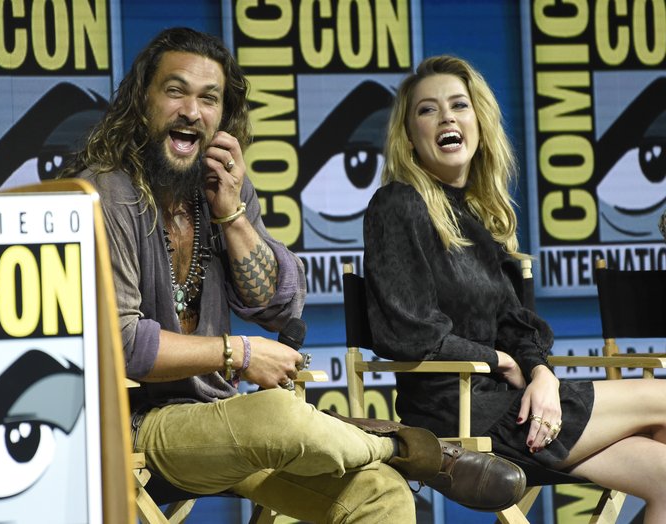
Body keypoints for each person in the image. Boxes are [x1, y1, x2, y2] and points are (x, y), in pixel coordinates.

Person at [60, 29, 525, 522]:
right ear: (142, 101)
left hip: (223, 423)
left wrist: (233, 217)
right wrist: (237, 353)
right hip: (133, 427)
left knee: (382, 492)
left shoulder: (221, 188)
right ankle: (420, 454)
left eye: (208, 98)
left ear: (223, 118)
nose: (191, 111)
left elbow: (279, 305)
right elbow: (122, 345)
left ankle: (393, 457)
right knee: (278, 414)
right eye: (175, 91)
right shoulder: (106, 195)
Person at [364, 54, 666, 521]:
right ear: (408, 137)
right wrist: (496, 358)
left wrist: (542, 373)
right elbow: (405, 330)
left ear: (479, 123)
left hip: (514, 404)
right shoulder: (397, 204)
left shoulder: (481, 217)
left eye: (459, 105)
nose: (446, 116)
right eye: (427, 109)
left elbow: (516, 324)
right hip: (457, 414)